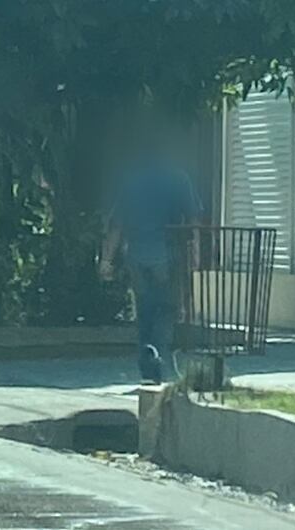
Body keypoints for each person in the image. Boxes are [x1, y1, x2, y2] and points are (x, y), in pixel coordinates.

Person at [100, 143, 201, 383]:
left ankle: (145, 361)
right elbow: (193, 218)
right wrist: (195, 251)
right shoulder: (179, 179)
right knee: (166, 309)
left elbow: (117, 225)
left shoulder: (130, 181)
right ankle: (158, 361)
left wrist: (106, 260)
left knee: (145, 309)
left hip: (136, 256)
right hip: (167, 255)